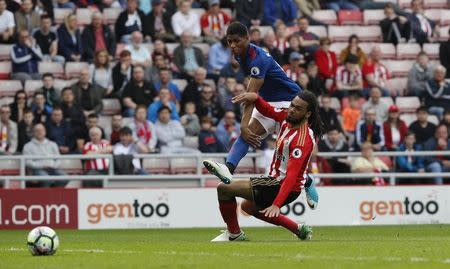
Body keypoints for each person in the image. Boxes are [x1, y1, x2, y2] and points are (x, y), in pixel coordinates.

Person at [203, 22, 317, 203]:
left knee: (287, 148)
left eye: (236, 41)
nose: (232, 45)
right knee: (247, 135)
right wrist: (245, 126)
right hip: (266, 100)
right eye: (229, 41)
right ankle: (228, 169)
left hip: (289, 101)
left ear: (248, 39)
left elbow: (251, 94)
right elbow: (252, 91)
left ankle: (307, 181)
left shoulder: (258, 59)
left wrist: (242, 124)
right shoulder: (240, 55)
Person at [204, 90, 323, 242]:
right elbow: (268, 110)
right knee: (247, 207)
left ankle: (234, 234)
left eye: (298, 108)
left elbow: (291, 176)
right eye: (292, 105)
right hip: (276, 181)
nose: (292, 109)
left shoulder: (301, 139)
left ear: (308, 114)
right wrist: (256, 98)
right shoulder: (287, 119)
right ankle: (299, 229)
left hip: (281, 184)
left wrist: (276, 204)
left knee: (224, 188)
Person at [23, 123, 67, 188]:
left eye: (41, 130)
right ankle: (46, 196)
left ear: (45, 132)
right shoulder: (27, 146)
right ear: (33, 133)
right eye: (37, 130)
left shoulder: (53, 144)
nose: (39, 132)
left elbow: (58, 159)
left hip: (53, 168)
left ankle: (56, 194)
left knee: (65, 178)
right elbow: (28, 162)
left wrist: (53, 166)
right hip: (37, 170)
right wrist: (42, 165)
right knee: (46, 179)